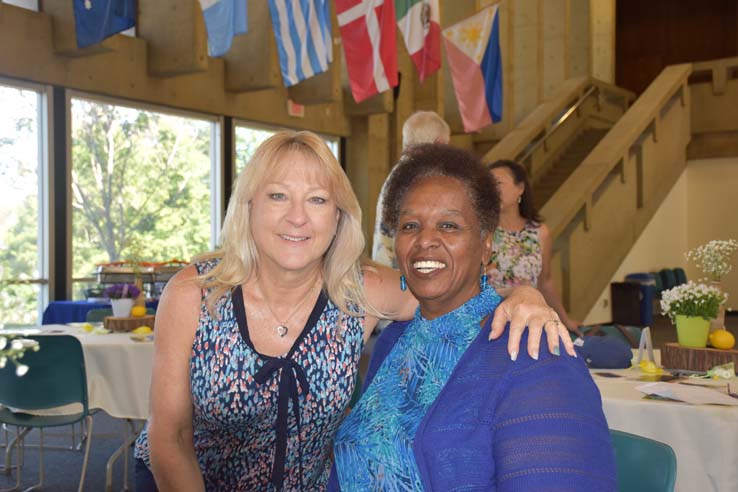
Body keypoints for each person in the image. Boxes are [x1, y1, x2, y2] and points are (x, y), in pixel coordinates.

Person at [133, 131, 575, 491]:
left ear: (339, 216)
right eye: (278, 196)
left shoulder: (360, 292)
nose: (298, 218)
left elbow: (452, 289)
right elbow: (168, 438)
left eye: (317, 200)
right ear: (248, 207)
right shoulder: (197, 292)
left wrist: (523, 298)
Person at [331, 144, 616, 491]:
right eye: (410, 225)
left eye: (449, 225)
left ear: (486, 245)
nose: (425, 241)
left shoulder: (535, 356)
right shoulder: (394, 339)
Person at [487, 159, 583, 336]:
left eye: (498, 183)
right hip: (489, 324)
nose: (492, 189)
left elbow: (545, 282)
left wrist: (564, 319)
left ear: (520, 188)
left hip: (529, 323)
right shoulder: (482, 232)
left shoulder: (539, 232)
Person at [371, 110, 451, 268]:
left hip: (387, 272)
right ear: (440, 143)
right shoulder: (426, 178)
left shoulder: (398, 173)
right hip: (410, 276)